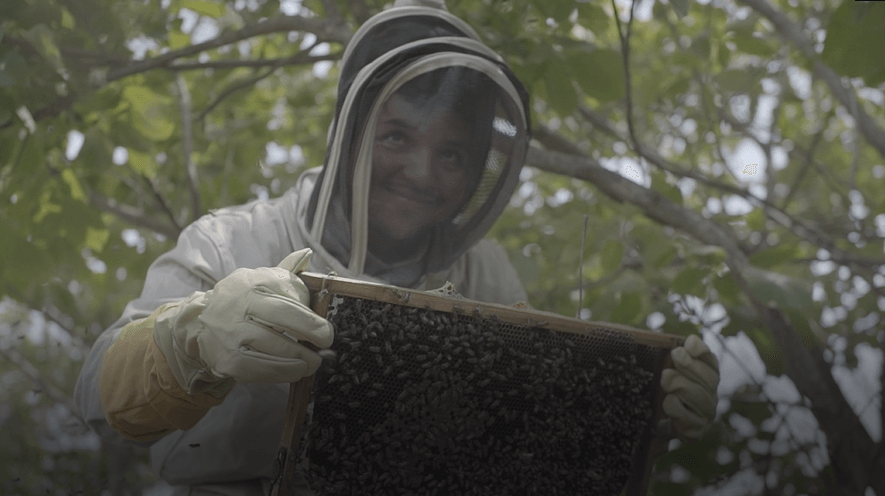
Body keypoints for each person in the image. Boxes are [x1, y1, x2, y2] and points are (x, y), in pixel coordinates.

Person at [73, 2, 720, 495]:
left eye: (451, 154)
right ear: (350, 136)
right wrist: (191, 339)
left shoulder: (483, 272)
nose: (421, 172)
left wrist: (641, 416)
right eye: (397, 138)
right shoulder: (235, 240)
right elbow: (94, 401)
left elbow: (530, 442)